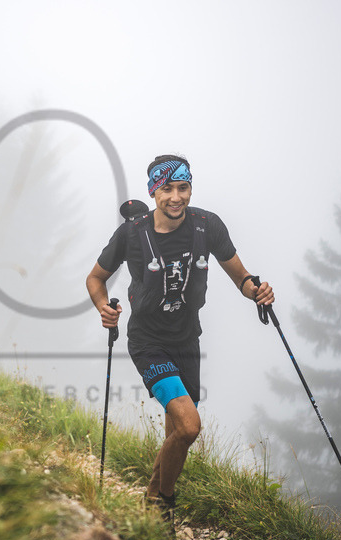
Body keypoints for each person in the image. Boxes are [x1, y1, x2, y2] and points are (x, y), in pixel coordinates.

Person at [85, 153, 274, 519]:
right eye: (167, 189)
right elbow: (96, 278)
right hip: (148, 342)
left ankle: (152, 503)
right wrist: (103, 307)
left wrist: (257, 291)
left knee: (177, 433)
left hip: (187, 340)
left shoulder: (207, 226)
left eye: (183, 187)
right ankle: (163, 505)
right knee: (189, 427)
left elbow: (241, 277)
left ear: (190, 188)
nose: (176, 197)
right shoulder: (131, 234)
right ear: (153, 192)